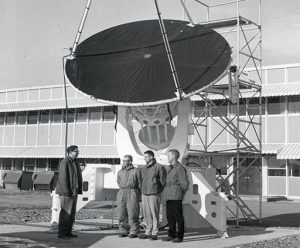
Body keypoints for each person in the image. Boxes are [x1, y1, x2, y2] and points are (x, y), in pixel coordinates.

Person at [55, 145, 83, 239]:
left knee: (71, 213)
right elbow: (63, 178)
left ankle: (68, 231)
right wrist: (66, 191)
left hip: (73, 191)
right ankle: (62, 233)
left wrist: (77, 190)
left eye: (77, 151)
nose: (77, 152)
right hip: (66, 192)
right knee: (66, 213)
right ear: (70, 152)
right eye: (76, 151)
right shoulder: (65, 162)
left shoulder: (75, 162)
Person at [139, 150, 166, 240]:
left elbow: (163, 181)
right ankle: (147, 232)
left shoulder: (159, 167)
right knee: (147, 214)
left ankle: (154, 233)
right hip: (145, 193)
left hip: (154, 193)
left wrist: (157, 190)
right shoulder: (144, 168)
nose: (144, 158)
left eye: (146, 157)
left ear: (151, 157)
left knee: (154, 214)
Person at [163, 149, 188, 243]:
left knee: (178, 216)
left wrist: (180, 192)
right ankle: (171, 234)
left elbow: (184, 183)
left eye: (169, 156)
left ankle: (180, 236)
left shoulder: (180, 168)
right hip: (168, 194)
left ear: (174, 156)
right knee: (170, 216)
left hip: (176, 194)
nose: (168, 157)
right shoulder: (169, 168)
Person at [117, 155, 142, 238]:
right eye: (123, 160)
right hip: (122, 192)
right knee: (121, 213)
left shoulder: (136, 171)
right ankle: (123, 231)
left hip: (132, 191)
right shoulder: (120, 171)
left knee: (133, 212)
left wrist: (138, 195)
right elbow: (118, 181)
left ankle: (134, 231)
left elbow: (140, 183)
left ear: (130, 162)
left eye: (125, 160)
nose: (123, 162)